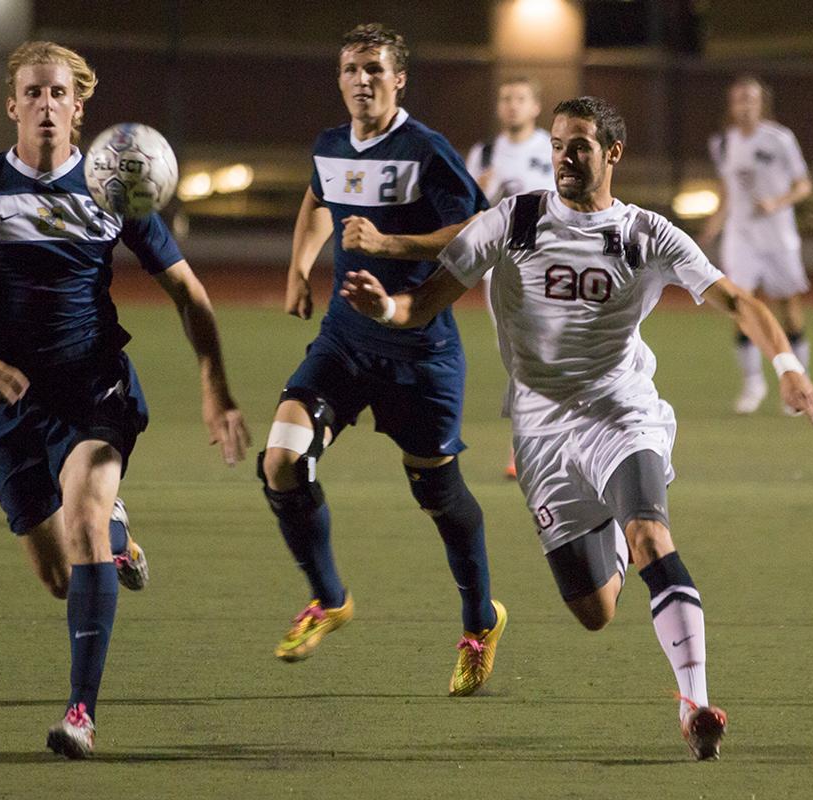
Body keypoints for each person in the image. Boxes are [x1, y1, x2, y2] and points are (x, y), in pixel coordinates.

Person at [341, 96, 813, 760]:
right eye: (559, 145)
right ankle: (621, 537)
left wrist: (786, 367)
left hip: (622, 414)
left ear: (612, 154)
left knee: (652, 536)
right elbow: (426, 303)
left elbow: (738, 298)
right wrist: (387, 308)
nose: (566, 158)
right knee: (595, 611)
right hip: (542, 436)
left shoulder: (646, 234)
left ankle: (694, 705)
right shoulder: (513, 220)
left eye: (579, 145)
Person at [0, 41, 250, 758]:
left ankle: (81, 714)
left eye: (59, 94)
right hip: (3, 409)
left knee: (83, 518)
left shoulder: (114, 192)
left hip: (93, 389)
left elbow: (190, 293)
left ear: (79, 108)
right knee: (61, 577)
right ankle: (115, 537)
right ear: (12, 104)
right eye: (33, 93)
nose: (46, 106)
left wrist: (215, 386)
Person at [258, 22, 506, 697]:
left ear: (400, 80)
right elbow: (317, 198)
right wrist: (298, 267)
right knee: (281, 457)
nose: (361, 81)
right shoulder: (332, 145)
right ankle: (330, 599)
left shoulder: (426, 149)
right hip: (344, 342)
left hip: (418, 351)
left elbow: (478, 229)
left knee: (437, 492)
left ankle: (479, 623)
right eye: (350, 70)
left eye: (374, 69)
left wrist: (391, 246)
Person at [698, 75, 813, 415]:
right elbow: (727, 192)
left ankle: (797, 382)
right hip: (741, 237)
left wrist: (777, 202)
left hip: (778, 236)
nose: (744, 106)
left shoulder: (780, 139)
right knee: (739, 305)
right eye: (738, 100)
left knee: (789, 308)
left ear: (761, 103)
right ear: (731, 106)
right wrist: (711, 228)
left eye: (750, 99)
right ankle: (753, 382)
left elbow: (804, 185)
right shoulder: (722, 143)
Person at [465, 76, 555, 478]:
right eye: (506, 98)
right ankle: (528, 446)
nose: (512, 105)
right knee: (521, 358)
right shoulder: (484, 153)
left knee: (547, 354)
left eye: (520, 98)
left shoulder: (553, 147)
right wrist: (480, 193)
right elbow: (468, 213)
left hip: (550, 264)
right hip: (502, 268)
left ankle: (535, 445)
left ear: (535, 106)